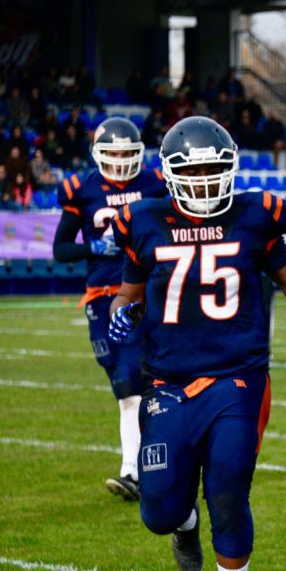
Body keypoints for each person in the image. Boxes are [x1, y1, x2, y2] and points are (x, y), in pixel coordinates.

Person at [106, 116, 286, 571]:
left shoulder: (255, 214)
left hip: (238, 376)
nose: (204, 180)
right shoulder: (144, 220)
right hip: (168, 382)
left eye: (213, 168)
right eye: (193, 169)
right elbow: (129, 290)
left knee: (228, 487)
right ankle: (184, 525)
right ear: (171, 173)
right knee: (158, 511)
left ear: (230, 169)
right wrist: (119, 310)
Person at [53, 117, 169, 500]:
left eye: (127, 153)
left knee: (130, 385)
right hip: (100, 296)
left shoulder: (153, 183)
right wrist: (93, 247)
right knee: (125, 391)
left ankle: (133, 472)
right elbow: (61, 249)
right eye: (113, 152)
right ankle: (146, 465)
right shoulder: (82, 189)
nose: (120, 160)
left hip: (139, 291)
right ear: (99, 154)